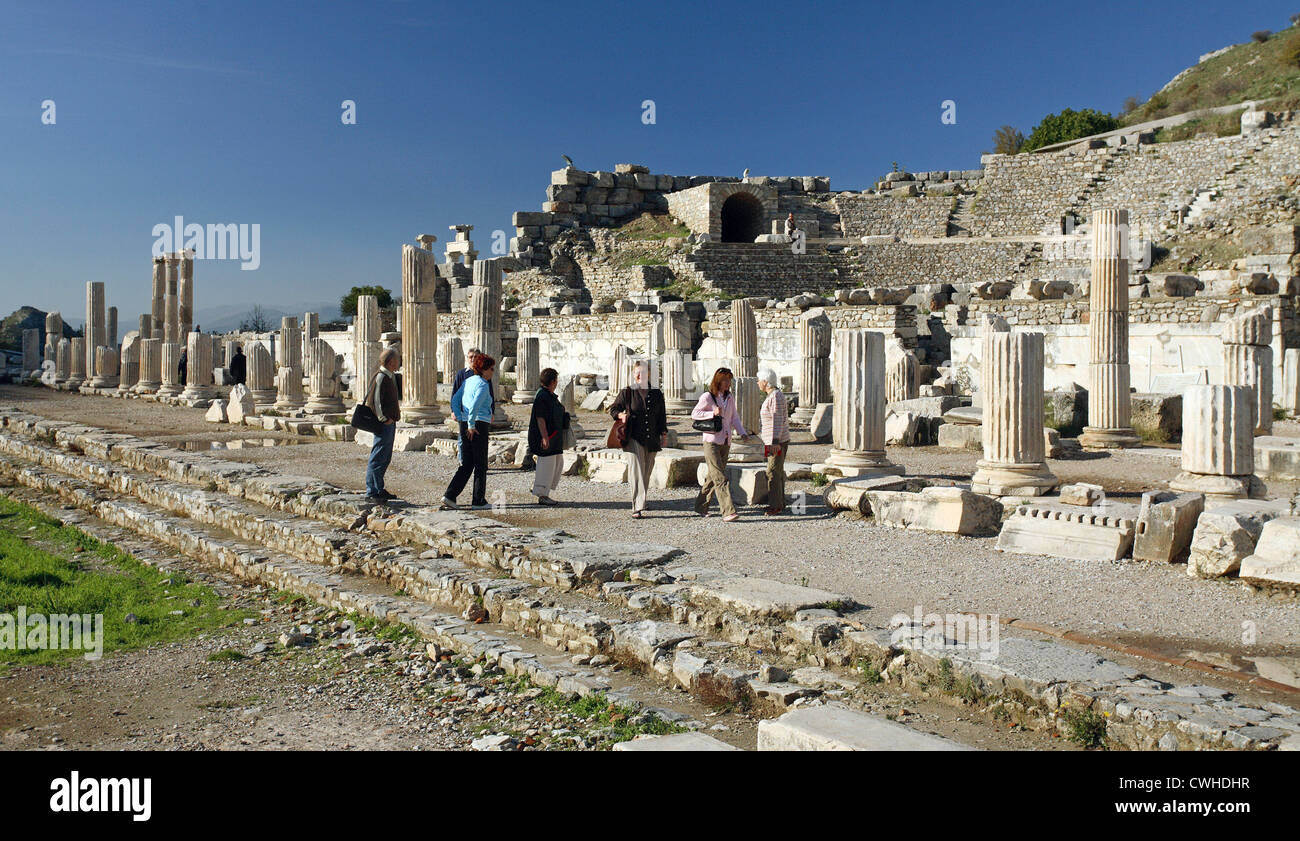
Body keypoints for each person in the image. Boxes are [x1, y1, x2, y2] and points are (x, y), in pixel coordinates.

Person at [609, 360, 668, 518]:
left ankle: (643, 500)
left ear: (648, 374)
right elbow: (613, 408)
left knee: (646, 471)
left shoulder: (656, 393)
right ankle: (637, 505)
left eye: (642, 372)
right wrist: (621, 415)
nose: (639, 375)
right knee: (636, 471)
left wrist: (664, 433)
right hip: (633, 436)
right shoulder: (627, 392)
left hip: (652, 437)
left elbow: (661, 415)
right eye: (637, 373)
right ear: (634, 375)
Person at [691, 367, 749, 522]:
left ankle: (700, 506)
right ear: (718, 381)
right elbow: (695, 414)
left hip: (726, 441)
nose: (727, 383)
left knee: (713, 476)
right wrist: (712, 413)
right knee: (720, 477)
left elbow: (734, 417)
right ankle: (728, 511)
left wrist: (742, 432)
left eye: (729, 380)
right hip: (711, 442)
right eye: (724, 380)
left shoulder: (730, 397)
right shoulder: (707, 397)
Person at [443, 352, 495, 510]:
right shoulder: (483, 384)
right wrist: (471, 425)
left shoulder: (468, 381)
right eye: (491, 369)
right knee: (480, 464)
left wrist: (461, 418)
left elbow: (455, 400)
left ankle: (450, 495)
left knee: (466, 463)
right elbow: (475, 405)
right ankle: (478, 500)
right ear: (484, 369)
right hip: (478, 424)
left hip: (465, 422)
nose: (493, 372)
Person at [363, 348, 401, 503]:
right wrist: (383, 418)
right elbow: (376, 401)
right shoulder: (381, 377)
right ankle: (371, 491)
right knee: (377, 456)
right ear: (391, 361)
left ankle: (379, 488)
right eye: (397, 359)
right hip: (384, 424)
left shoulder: (389, 376)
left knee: (385, 457)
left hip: (390, 423)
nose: (399, 362)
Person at [528, 367, 566, 504]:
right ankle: (542, 495)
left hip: (554, 436)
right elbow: (540, 418)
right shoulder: (542, 396)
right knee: (547, 464)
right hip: (547, 436)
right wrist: (544, 437)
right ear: (553, 381)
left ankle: (541, 487)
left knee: (558, 463)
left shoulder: (548, 395)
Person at [757, 367, 790, 515]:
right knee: (776, 471)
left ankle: (775, 505)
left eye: (759, 380)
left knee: (772, 472)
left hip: (775, 441)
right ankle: (779, 502)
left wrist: (775, 442)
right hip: (772, 440)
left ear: (765, 381)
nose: (758, 383)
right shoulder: (773, 395)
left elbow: (777, 419)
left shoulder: (775, 396)